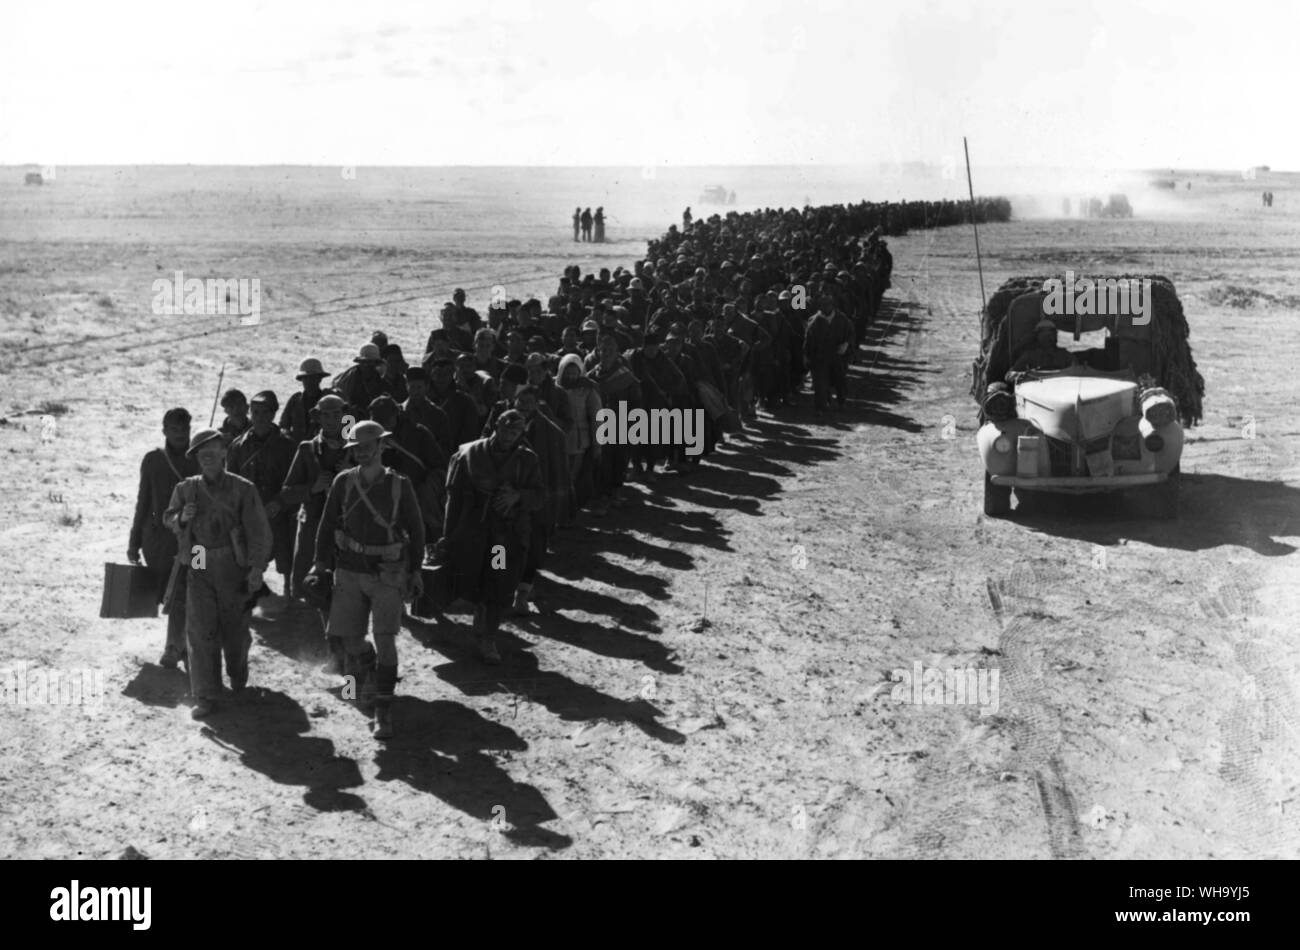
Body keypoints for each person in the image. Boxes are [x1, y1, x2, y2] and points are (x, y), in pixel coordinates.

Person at [314, 421, 424, 740]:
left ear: (380, 446)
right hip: (348, 569)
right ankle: (366, 676)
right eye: (356, 449)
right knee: (350, 640)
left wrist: (415, 570)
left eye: (367, 447)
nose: (361, 453)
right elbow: (325, 525)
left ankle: (382, 710)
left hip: (387, 572)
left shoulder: (399, 485)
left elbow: (417, 532)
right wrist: (320, 565)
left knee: (386, 639)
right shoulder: (343, 482)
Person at [164, 428, 272, 719]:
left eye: (213, 452)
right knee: (200, 629)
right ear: (197, 458)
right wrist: (181, 518)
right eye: (202, 454)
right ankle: (205, 694)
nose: (208, 458)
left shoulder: (243, 489)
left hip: (232, 562)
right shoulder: (186, 488)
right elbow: (169, 516)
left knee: (234, 629)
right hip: (199, 558)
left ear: (225, 452)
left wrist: (256, 568)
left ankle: (237, 672)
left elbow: (259, 531)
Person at [441, 409, 543, 663]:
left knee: (498, 581)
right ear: (496, 426)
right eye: (506, 429)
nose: (510, 435)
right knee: (471, 580)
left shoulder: (527, 461)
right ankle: (478, 617)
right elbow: (453, 498)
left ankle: (488, 637)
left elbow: (540, 496)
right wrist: (448, 535)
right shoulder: (469, 454)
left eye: (516, 431)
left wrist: (518, 496)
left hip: (503, 539)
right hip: (472, 534)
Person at [280, 394, 350, 670]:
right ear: (317, 417)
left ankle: (349, 650)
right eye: (326, 415)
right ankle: (335, 652)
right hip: (314, 530)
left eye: (337, 415)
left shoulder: (355, 447)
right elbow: (286, 493)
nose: (332, 420)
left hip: (346, 531)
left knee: (349, 590)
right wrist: (312, 488)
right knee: (320, 590)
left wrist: (351, 473)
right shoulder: (307, 449)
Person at [128, 407, 198, 668]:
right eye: (175, 429)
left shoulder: (202, 457)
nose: (180, 434)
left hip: (198, 545)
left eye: (185, 429)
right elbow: (143, 502)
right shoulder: (152, 460)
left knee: (195, 587)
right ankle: (179, 645)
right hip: (159, 543)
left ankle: (179, 647)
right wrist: (134, 542)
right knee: (169, 594)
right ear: (164, 431)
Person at [226, 391, 297, 597]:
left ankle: (288, 589)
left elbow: (295, 481)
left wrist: (280, 502)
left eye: (266, 412)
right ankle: (252, 591)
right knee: (248, 554)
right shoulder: (238, 446)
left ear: (274, 414)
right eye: (255, 412)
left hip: (279, 512)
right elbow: (231, 482)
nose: (260, 417)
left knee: (285, 553)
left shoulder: (288, 445)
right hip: (250, 512)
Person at [512, 387, 568, 612]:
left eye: (529, 402)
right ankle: (500, 590)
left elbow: (558, 474)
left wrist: (554, 506)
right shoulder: (503, 425)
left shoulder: (552, 434)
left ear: (537, 404)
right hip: (506, 502)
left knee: (533, 549)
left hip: (537, 502)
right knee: (500, 549)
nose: (524, 406)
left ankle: (522, 593)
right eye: (520, 401)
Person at [280, 358, 330, 444]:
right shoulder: (295, 401)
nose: (310, 381)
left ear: (320, 379)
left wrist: (345, 443)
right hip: (298, 450)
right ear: (301, 380)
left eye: (313, 378)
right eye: (306, 378)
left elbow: (348, 420)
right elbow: (283, 426)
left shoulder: (330, 400)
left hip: (325, 450)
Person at [333, 343, 388, 420]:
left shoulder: (379, 377)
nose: (368, 366)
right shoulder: (350, 379)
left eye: (371, 362)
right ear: (360, 362)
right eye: (365, 362)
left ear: (376, 363)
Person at [1007, 319, 1075, 381]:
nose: (1048, 338)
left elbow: (1078, 372)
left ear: (1055, 336)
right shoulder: (1030, 356)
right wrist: (1022, 375)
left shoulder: (1066, 356)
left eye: (1051, 334)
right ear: (1037, 336)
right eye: (1044, 335)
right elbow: (1010, 375)